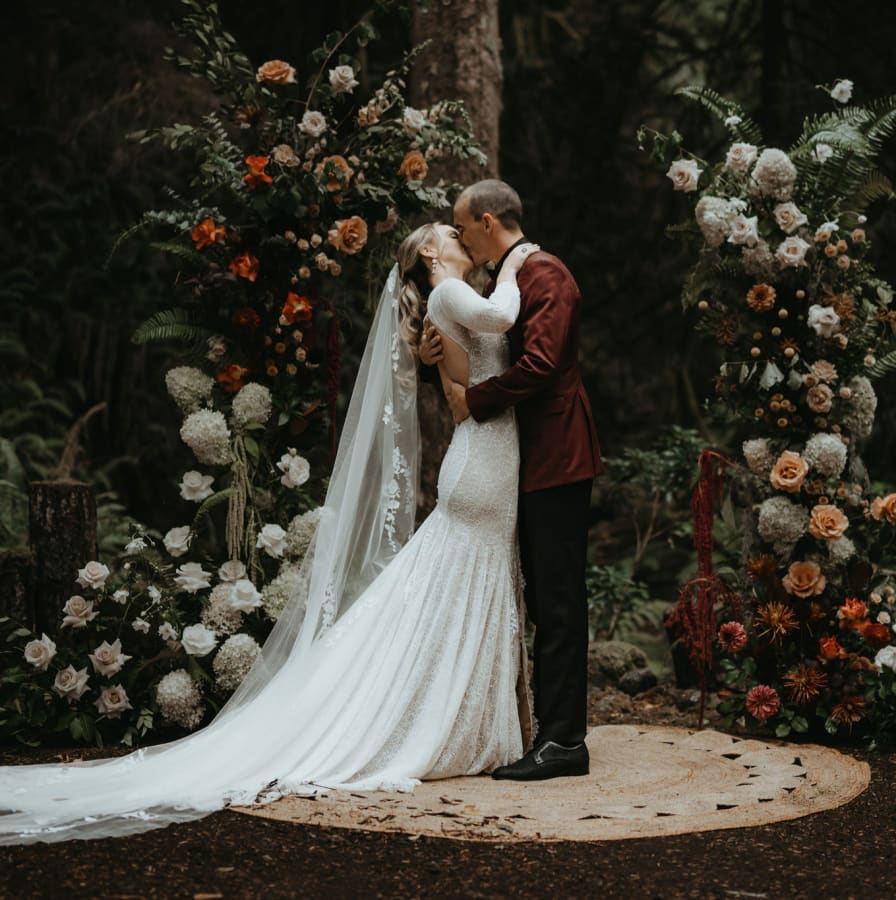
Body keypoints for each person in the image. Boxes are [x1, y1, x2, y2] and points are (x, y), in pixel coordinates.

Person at [0, 224, 538, 845]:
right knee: (437, 594)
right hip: (481, 471)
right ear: (426, 252)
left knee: (430, 598)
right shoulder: (455, 295)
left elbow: (468, 391)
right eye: (449, 229)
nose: (457, 230)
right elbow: (483, 362)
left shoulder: (453, 301)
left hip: (485, 464)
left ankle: (450, 715)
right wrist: (523, 258)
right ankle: (436, 719)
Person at [421, 179, 603, 781]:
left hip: (557, 456)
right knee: (542, 598)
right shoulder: (502, 280)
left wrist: (475, 401)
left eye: (462, 224)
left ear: (489, 221)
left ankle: (563, 744)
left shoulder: (542, 272)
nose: (461, 236)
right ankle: (541, 732)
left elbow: (541, 364)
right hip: (524, 459)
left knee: (558, 600)